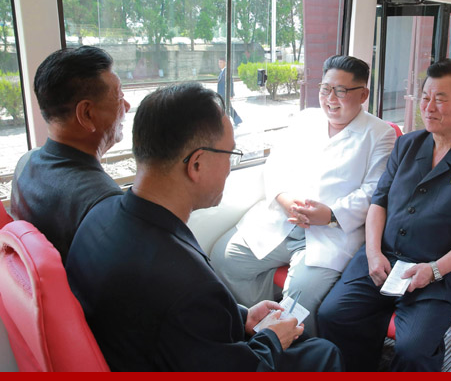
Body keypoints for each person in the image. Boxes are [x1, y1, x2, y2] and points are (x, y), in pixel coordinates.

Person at [65, 82, 343, 372]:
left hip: (142, 348)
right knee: (324, 352)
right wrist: (272, 339)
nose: (229, 168)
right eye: (229, 155)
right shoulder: (190, 284)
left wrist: (241, 316)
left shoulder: (98, 214)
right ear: (196, 164)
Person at [317, 59, 451, 371]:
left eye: (440, 99)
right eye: (425, 97)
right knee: (333, 315)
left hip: (441, 272)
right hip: (384, 259)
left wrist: (434, 270)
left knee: (414, 348)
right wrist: (373, 253)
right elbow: (379, 202)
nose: (428, 108)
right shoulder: (407, 144)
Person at [211, 55, 396, 337]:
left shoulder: (380, 133)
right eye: (325, 89)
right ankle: (261, 328)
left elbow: (374, 190)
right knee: (224, 258)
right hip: (284, 218)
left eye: (341, 91)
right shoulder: (305, 119)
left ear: (363, 95)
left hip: (333, 231)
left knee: (302, 295)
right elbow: (276, 164)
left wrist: (330, 215)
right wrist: (285, 200)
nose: (330, 99)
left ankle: (297, 352)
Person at [10, 46, 130, 262]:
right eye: (119, 98)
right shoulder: (103, 203)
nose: (127, 106)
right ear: (86, 114)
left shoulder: (25, 163)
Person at [217, 56, 242, 125]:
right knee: (225, 107)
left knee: (228, 108)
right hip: (222, 94)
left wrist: (231, 94)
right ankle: (236, 119)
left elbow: (230, 83)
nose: (219, 64)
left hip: (225, 94)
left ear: (225, 63)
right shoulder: (222, 72)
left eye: (221, 62)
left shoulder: (226, 72)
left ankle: (236, 119)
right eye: (219, 62)